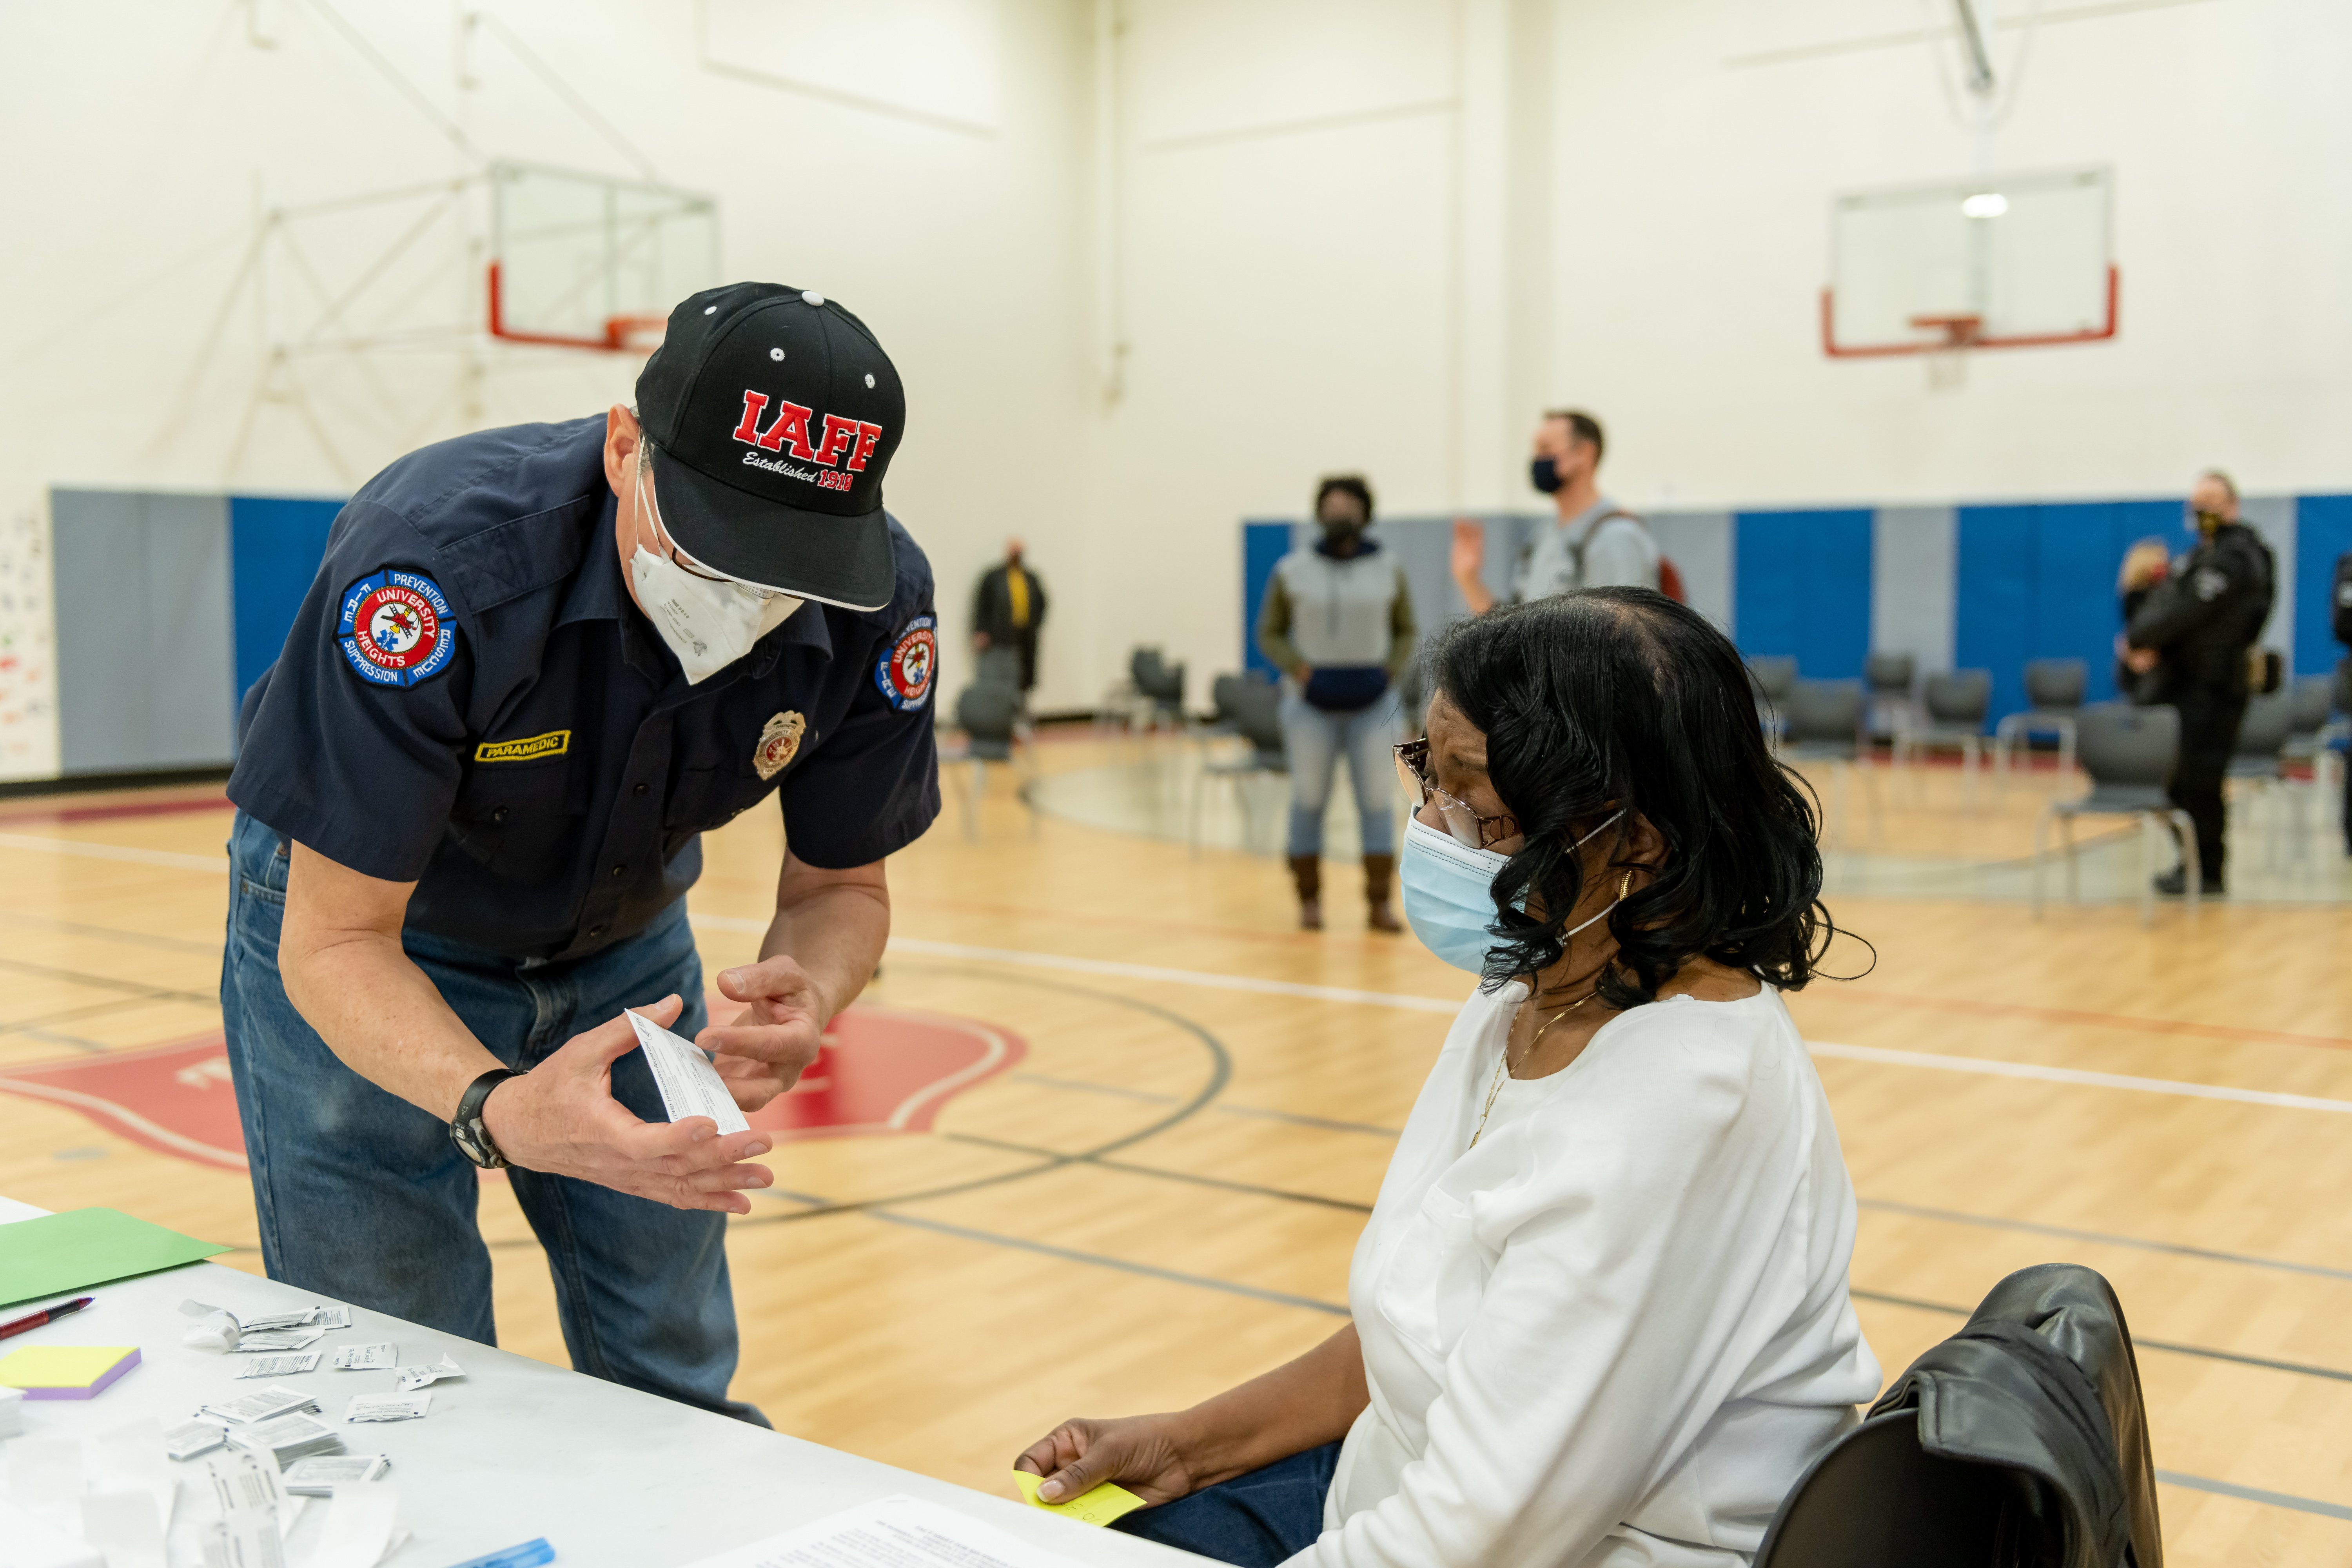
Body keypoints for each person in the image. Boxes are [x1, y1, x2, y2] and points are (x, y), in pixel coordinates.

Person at [1019, 588, 1880, 1568]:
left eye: (1478, 802)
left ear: (1636, 837)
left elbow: (1476, 1536)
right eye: (1429, 775)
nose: (1432, 824)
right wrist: (1191, 1441)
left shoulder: (1684, 1103)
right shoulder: (1536, 977)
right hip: (1384, 1484)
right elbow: (1424, 1343)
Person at [218, 283, 941, 1425]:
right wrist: (493, 1106)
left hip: (626, 939)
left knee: (673, 1352)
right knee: (399, 1368)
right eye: (715, 549)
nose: (745, 600)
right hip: (378, 928)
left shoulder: (877, 603)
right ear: (623, 450)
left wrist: (814, 985)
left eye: (784, 566)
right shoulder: (436, 562)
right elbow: (334, 937)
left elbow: (841, 886)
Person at [1257, 476, 1416, 932]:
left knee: (1376, 801)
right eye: (1330, 504)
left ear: (1365, 513)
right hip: (1310, 704)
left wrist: (1391, 667)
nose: (1338, 511)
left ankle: (1378, 903)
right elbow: (1269, 632)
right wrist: (1297, 667)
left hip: (1373, 702)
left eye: (1348, 503)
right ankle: (1309, 900)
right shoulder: (1291, 569)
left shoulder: (1390, 567)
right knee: (1308, 798)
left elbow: (1406, 627)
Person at [2122, 470, 2274, 895]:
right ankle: (2192, 861)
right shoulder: (2195, 557)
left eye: (2211, 500)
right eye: (2196, 502)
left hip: (2215, 686)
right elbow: (2162, 604)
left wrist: (2142, 638)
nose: (2202, 509)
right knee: (2177, 779)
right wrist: (2143, 639)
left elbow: (2189, 613)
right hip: (2181, 683)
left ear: (2232, 505)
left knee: (2201, 779)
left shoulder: (2240, 555)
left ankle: (2207, 870)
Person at [1449, 410, 1659, 614]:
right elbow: (1513, 633)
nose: (1537, 459)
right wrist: (1469, 579)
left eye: (1546, 449)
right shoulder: (1542, 538)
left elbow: (1626, 635)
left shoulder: (1616, 537)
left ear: (1584, 453)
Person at [973, 537, 1047, 693]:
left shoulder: (1031, 577)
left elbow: (1042, 603)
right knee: (1002, 671)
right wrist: (981, 631)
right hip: (1001, 634)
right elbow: (982, 606)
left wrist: (1037, 623)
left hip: (1026, 633)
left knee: (1025, 673)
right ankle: (1000, 709)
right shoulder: (993, 577)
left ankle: (1021, 707)